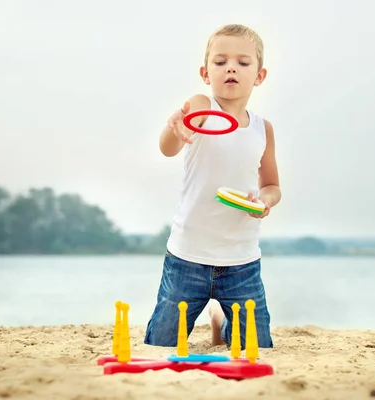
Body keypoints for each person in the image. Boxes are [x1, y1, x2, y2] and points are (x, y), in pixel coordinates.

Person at [143, 24, 281, 350]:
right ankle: (218, 316)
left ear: (259, 76)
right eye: (220, 62)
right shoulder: (202, 105)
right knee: (161, 344)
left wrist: (264, 200)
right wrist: (175, 125)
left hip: (242, 260)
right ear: (206, 73)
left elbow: (273, 185)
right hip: (187, 257)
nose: (231, 67)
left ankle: (219, 319)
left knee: (256, 349)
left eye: (243, 62)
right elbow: (168, 148)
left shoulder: (264, 129)